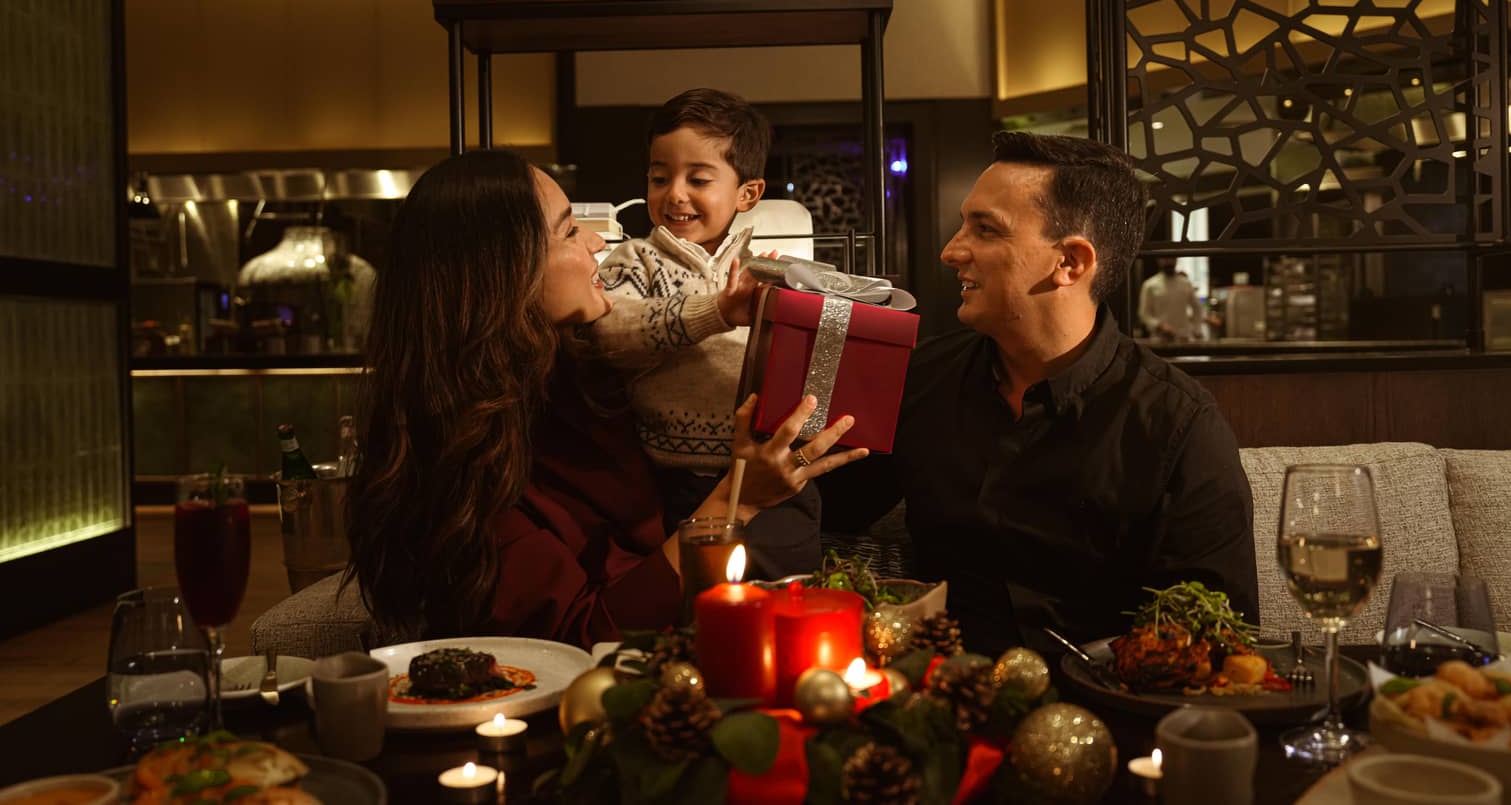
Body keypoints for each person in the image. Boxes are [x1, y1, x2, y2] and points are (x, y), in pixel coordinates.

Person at [344, 149, 867, 646]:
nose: (597, 243)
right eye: (569, 231)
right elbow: (584, 638)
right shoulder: (462, 460)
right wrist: (738, 499)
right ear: (504, 271)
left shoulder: (572, 374)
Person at [819, 132, 1257, 657]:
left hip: (1105, 707)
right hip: (938, 697)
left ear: (1070, 261)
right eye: (964, 225)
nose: (951, 251)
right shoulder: (922, 378)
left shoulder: (1176, 426)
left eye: (985, 230)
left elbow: (1217, 637)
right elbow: (832, 508)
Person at [590, 89, 822, 575]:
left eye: (697, 179)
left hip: (770, 472)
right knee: (689, 603)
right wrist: (715, 310)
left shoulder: (770, 269)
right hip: (668, 483)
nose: (674, 193)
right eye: (659, 177)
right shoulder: (634, 260)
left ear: (748, 193)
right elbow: (608, 333)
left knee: (786, 590)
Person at [1138, 257, 1204, 341]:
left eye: (1172, 258)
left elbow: (1198, 308)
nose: (1169, 261)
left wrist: (1197, 329)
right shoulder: (1150, 285)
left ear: (1176, 260)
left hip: (1184, 338)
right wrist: (1159, 326)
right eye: (1165, 258)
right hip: (1160, 339)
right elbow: (1144, 313)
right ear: (1159, 260)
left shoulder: (1185, 283)